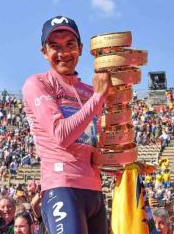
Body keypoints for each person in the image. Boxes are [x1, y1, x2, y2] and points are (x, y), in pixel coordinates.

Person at [22, 15, 109, 234]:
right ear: (44, 52)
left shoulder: (89, 91)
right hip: (62, 187)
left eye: (70, 44)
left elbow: (95, 149)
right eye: (55, 46)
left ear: (80, 48)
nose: (63, 53)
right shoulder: (38, 83)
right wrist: (98, 98)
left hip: (95, 191)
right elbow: (61, 135)